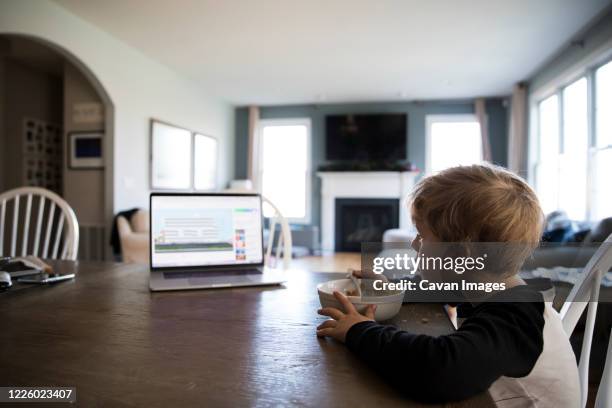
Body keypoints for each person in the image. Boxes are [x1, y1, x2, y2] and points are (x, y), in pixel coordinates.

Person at [316, 164, 580, 407]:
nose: (414, 244)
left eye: (422, 235)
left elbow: (439, 370)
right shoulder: (482, 286)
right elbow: (433, 289)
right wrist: (390, 289)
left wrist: (359, 331)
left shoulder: (515, 313)